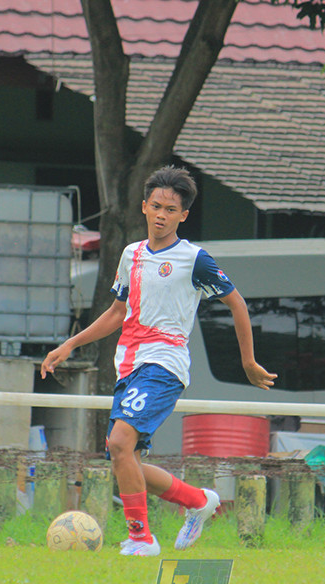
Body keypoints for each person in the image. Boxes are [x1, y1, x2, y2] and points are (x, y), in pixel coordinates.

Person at [41, 165, 276, 556]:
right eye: (156, 206)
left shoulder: (194, 259)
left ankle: (140, 539)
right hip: (129, 366)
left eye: (171, 209)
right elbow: (117, 313)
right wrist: (71, 344)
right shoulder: (131, 254)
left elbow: (236, 303)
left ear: (183, 215)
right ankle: (199, 501)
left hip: (164, 364)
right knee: (125, 459)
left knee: (119, 443)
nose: (162, 214)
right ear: (144, 207)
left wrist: (248, 362)